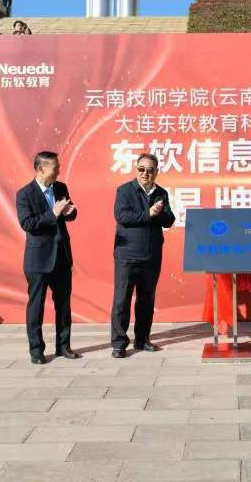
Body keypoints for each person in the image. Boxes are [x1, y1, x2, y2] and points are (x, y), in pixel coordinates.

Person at [16, 151, 79, 364]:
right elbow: (28, 223)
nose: (58, 171)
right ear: (41, 169)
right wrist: (53, 213)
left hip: (61, 256)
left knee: (64, 305)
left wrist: (69, 212)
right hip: (38, 259)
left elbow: (70, 213)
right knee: (36, 306)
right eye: (55, 168)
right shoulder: (25, 194)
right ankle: (36, 350)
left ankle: (64, 346)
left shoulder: (60, 188)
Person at [110, 153, 175, 358]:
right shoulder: (125, 190)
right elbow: (121, 216)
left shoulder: (161, 193)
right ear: (136, 169)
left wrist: (160, 212)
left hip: (151, 255)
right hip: (127, 255)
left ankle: (142, 339)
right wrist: (149, 213)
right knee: (122, 300)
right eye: (141, 169)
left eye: (150, 170)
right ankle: (119, 343)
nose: (145, 173)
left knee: (146, 299)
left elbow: (169, 220)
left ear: (156, 172)